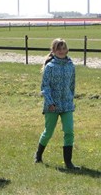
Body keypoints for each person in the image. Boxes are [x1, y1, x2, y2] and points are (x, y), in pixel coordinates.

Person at [34, 38, 79, 169]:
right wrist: (50, 102)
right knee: (48, 132)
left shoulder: (71, 65)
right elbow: (45, 87)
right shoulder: (50, 67)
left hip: (67, 105)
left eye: (63, 48)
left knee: (69, 131)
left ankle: (68, 162)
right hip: (52, 105)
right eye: (58, 49)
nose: (61, 51)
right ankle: (38, 155)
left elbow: (72, 85)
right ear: (53, 51)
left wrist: (70, 99)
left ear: (67, 50)